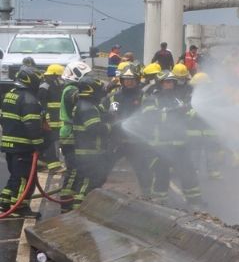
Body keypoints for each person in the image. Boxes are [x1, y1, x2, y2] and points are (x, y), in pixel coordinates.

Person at [138, 71, 202, 207]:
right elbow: (150, 117)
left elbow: (188, 114)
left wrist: (193, 114)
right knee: (161, 175)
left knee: (188, 173)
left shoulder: (178, 99)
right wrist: (173, 114)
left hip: (180, 145)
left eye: (172, 82)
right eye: (167, 82)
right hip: (160, 146)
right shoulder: (152, 99)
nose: (170, 85)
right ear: (160, 84)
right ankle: (159, 203)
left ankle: (195, 201)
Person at [0, 68, 45, 216]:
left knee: (15, 175)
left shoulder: (9, 95)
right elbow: (32, 125)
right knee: (24, 178)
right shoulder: (29, 99)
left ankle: (5, 202)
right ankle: (19, 208)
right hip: (23, 145)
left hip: (9, 143)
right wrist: (39, 144)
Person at [104, 65, 151, 195]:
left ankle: (148, 196)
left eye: (132, 80)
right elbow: (103, 113)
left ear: (137, 80)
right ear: (122, 80)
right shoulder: (113, 97)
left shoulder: (143, 97)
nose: (129, 82)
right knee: (103, 167)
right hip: (116, 141)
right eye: (126, 79)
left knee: (142, 170)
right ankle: (93, 193)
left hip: (135, 142)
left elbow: (149, 116)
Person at [58, 60, 94, 210]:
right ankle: (66, 203)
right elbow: (80, 102)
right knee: (73, 169)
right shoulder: (71, 90)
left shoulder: (71, 88)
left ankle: (71, 202)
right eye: (86, 76)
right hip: (70, 134)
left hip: (72, 132)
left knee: (77, 168)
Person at [71, 76, 110, 204]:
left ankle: (86, 206)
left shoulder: (85, 105)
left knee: (95, 180)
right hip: (89, 152)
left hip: (88, 150)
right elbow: (94, 129)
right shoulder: (87, 107)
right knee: (88, 182)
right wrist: (111, 127)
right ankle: (79, 208)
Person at [37, 64, 65, 173]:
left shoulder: (57, 85)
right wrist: (45, 120)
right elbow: (42, 105)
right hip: (49, 120)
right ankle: (54, 166)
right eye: (59, 76)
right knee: (51, 142)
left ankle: (53, 163)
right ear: (54, 75)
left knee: (56, 141)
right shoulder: (44, 86)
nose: (61, 78)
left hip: (57, 120)